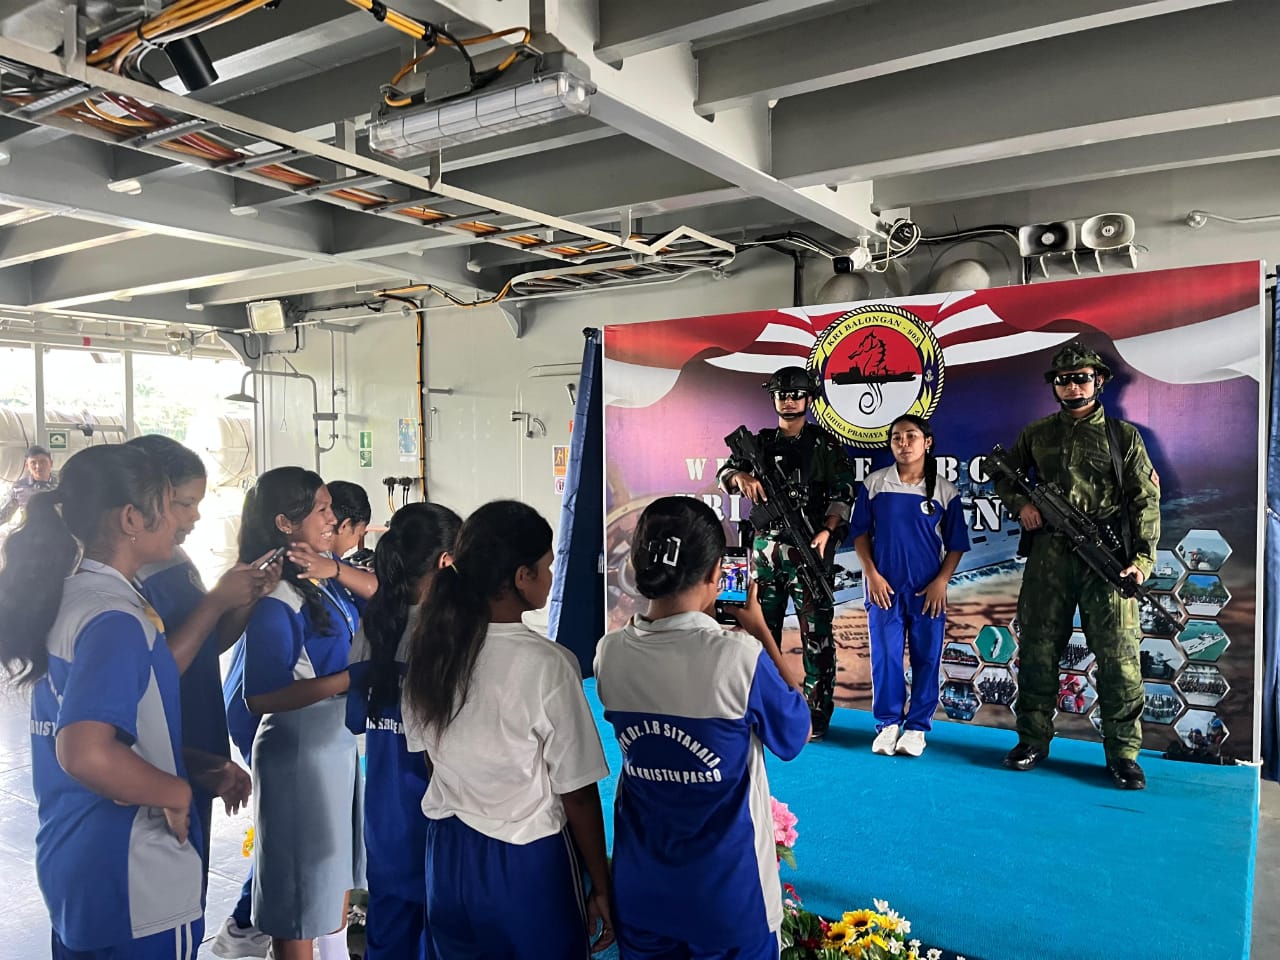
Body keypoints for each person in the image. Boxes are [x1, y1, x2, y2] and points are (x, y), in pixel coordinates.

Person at [0, 445, 261, 959]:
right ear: (130, 519)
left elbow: (102, 729)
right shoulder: (115, 620)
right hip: (133, 877)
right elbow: (85, 752)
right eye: (170, 504)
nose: (183, 519)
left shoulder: (75, 598)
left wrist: (192, 766)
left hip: (78, 864)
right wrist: (175, 792)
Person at [594, 496, 811, 959]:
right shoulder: (739, 657)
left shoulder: (609, 654)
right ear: (717, 573)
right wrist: (760, 631)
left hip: (642, 892)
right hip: (730, 900)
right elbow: (794, 734)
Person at [402, 500, 614, 959]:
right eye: (547, 566)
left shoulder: (429, 653)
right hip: (526, 863)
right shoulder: (548, 664)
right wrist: (601, 884)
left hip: (447, 858)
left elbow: (428, 758)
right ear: (522, 576)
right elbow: (577, 793)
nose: (551, 576)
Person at [994, 341, 1161, 790]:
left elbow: (1145, 501)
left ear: (1099, 381)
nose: (1073, 387)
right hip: (1048, 557)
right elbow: (1001, 472)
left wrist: (1141, 561)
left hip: (1105, 560)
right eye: (1064, 380)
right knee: (1038, 650)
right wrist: (1022, 505)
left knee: (1118, 658)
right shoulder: (1037, 434)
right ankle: (1032, 740)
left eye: (1082, 378)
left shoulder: (1123, 437)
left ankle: (1123, 753)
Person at [129, 434, 280, 888]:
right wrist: (215, 601)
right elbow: (150, 677)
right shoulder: (126, 579)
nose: (195, 516)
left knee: (188, 883)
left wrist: (246, 599)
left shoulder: (173, 556)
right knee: (161, 885)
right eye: (184, 503)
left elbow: (204, 645)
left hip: (192, 741)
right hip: (155, 752)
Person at [238, 468, 365, 960]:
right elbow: (260, 696)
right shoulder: (277, 598)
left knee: (331, 878)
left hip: (334, 744)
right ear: (285, 523)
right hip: (299, 751)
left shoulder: (325, 580)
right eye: (322, 510)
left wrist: (334, 569)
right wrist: (351, 680)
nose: (333, 519)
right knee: (297, 898)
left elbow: (380, 594)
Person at [347, 502, 462, 960]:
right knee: (441, 935)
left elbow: (355, 718)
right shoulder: (452, 633)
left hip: (385, 814)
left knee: (389, 933)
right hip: (439, 817)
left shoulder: (374, 622)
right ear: (446, 562)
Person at [717, 365, 857, 740]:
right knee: (759, 635)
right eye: (782, 395)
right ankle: (760, 707)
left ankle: (815, 715)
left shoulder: (825, 445)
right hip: (765, 556)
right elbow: (724, 475)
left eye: (796, 395)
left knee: (817, 639)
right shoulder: (760, 443)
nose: (789, 401)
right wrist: (740, 477)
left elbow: (844, 493)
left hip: (808, 550)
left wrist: (828, 530)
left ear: (808, 399)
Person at [851, 415, 969, 758]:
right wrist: (871, 574)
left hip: (926, 591)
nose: (903, 444)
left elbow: (956, 544)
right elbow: (860, 533)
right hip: (883, 588)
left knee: (926, 658)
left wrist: (941, 582)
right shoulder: (875, 484)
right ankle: (888, 725)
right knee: (886, 658)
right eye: (897, 438)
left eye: (911, 436)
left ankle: (917, 728)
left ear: (927, 442)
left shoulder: (945, 491)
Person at [0, 444, 59, 526]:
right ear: (27, 466)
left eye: (42, 462)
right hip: (31, 532)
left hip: (58, 531)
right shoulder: (19, 487)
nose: (38, 466)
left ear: (51, 463)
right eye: (33, 463)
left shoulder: (62, 485)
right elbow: (4, 515)